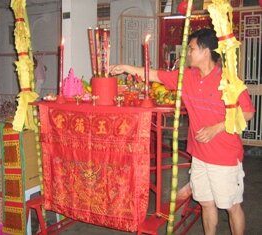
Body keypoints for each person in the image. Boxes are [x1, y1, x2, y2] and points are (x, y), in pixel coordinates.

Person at [109, 28, 255, 235]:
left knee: (231, 206)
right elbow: (154, 74)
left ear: (206, 51)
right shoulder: (186, 77)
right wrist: (125, 67)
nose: (187, 53)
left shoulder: (229, 80)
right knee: (206, 203)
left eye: (192, 48)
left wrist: (218, 127)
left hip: (225, 156)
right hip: (200, 156)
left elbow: (247, 113)